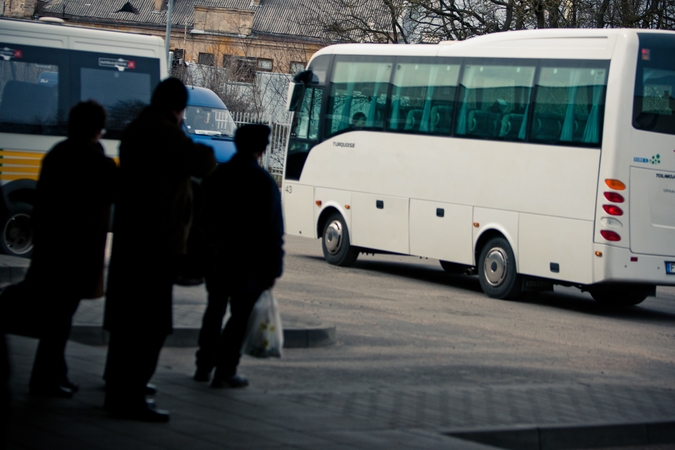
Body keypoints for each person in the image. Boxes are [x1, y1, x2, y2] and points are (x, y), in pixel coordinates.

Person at [103, 78, 216, 422]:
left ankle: (117, 387)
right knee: (151, 325)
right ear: (178, 108)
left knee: (125, 323)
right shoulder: (164, 132)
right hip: (156, 244)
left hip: (130, 238)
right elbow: (203, 163)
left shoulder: (136, 128)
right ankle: (132, 395)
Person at [4, 101, 116, 397]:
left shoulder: (57, 153)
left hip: (51, 248)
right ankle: (45, 378)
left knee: (59, 313)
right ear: (97, 128)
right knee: (60, 315)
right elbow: (114, 188)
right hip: (76, 252)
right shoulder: (93, 159)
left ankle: (56, 373)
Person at [194, 124, 284, 388]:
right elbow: (273, 231)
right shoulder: (264, 183)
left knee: (214, 309)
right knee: (239, 316)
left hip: (218, 258)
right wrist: (273, 269)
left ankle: (203, 364)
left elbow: (203, 219)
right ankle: (225, 369)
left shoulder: (217, 176)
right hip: (249, 264)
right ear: (262, 148)